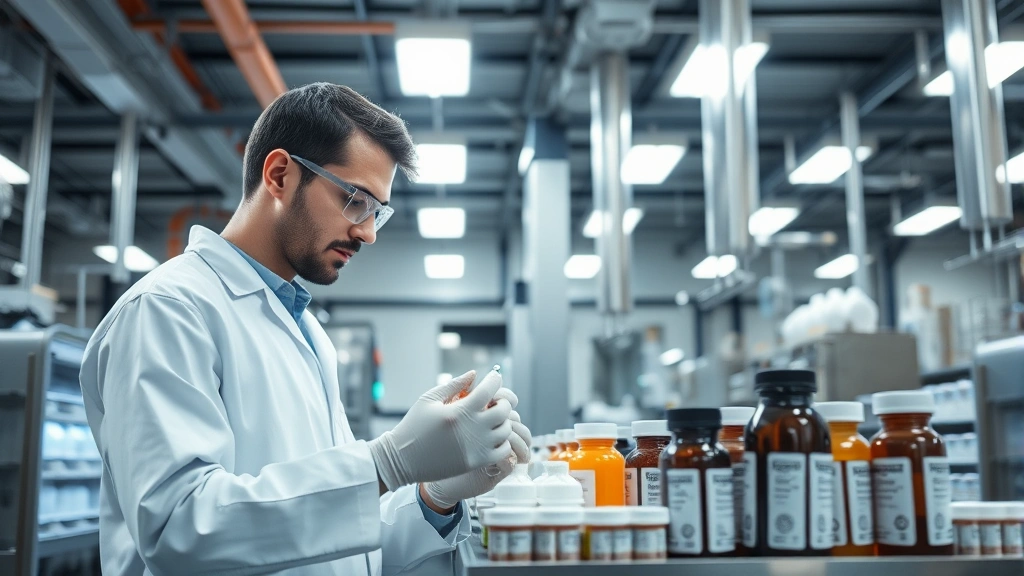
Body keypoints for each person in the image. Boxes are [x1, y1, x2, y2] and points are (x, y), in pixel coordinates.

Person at [79, 83, 531, 575]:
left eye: (378, 210)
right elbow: (177, 527)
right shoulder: (167, 310)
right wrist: (385, 465)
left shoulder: (309, 333)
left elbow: (337, 547)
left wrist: (434, 497)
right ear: (279, 175)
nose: (369, 232)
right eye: (356, 200)